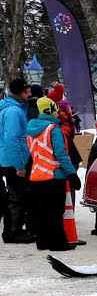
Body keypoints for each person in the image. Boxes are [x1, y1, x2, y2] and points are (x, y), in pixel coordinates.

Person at [26, 97, 81, 251]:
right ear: (51, 110)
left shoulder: (30, 130)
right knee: (56, 212)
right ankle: (58, 244)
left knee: (41, 212)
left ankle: (43, 242)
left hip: (36, 176)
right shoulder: (53, 129)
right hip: (54, 176)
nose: (58, 113)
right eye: (56, 109)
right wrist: (72, 174)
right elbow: (61, 154)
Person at [0, 78, 36, 243]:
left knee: (18, 196)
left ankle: (14, 230)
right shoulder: (13, 112)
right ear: (20, 92)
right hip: (14, 161)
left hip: (14, 158)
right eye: (27, 91)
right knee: (16, 197)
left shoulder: (15, 109)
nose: (30, 94)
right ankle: (12, 232)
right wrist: (19, 165)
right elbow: (12, 139)